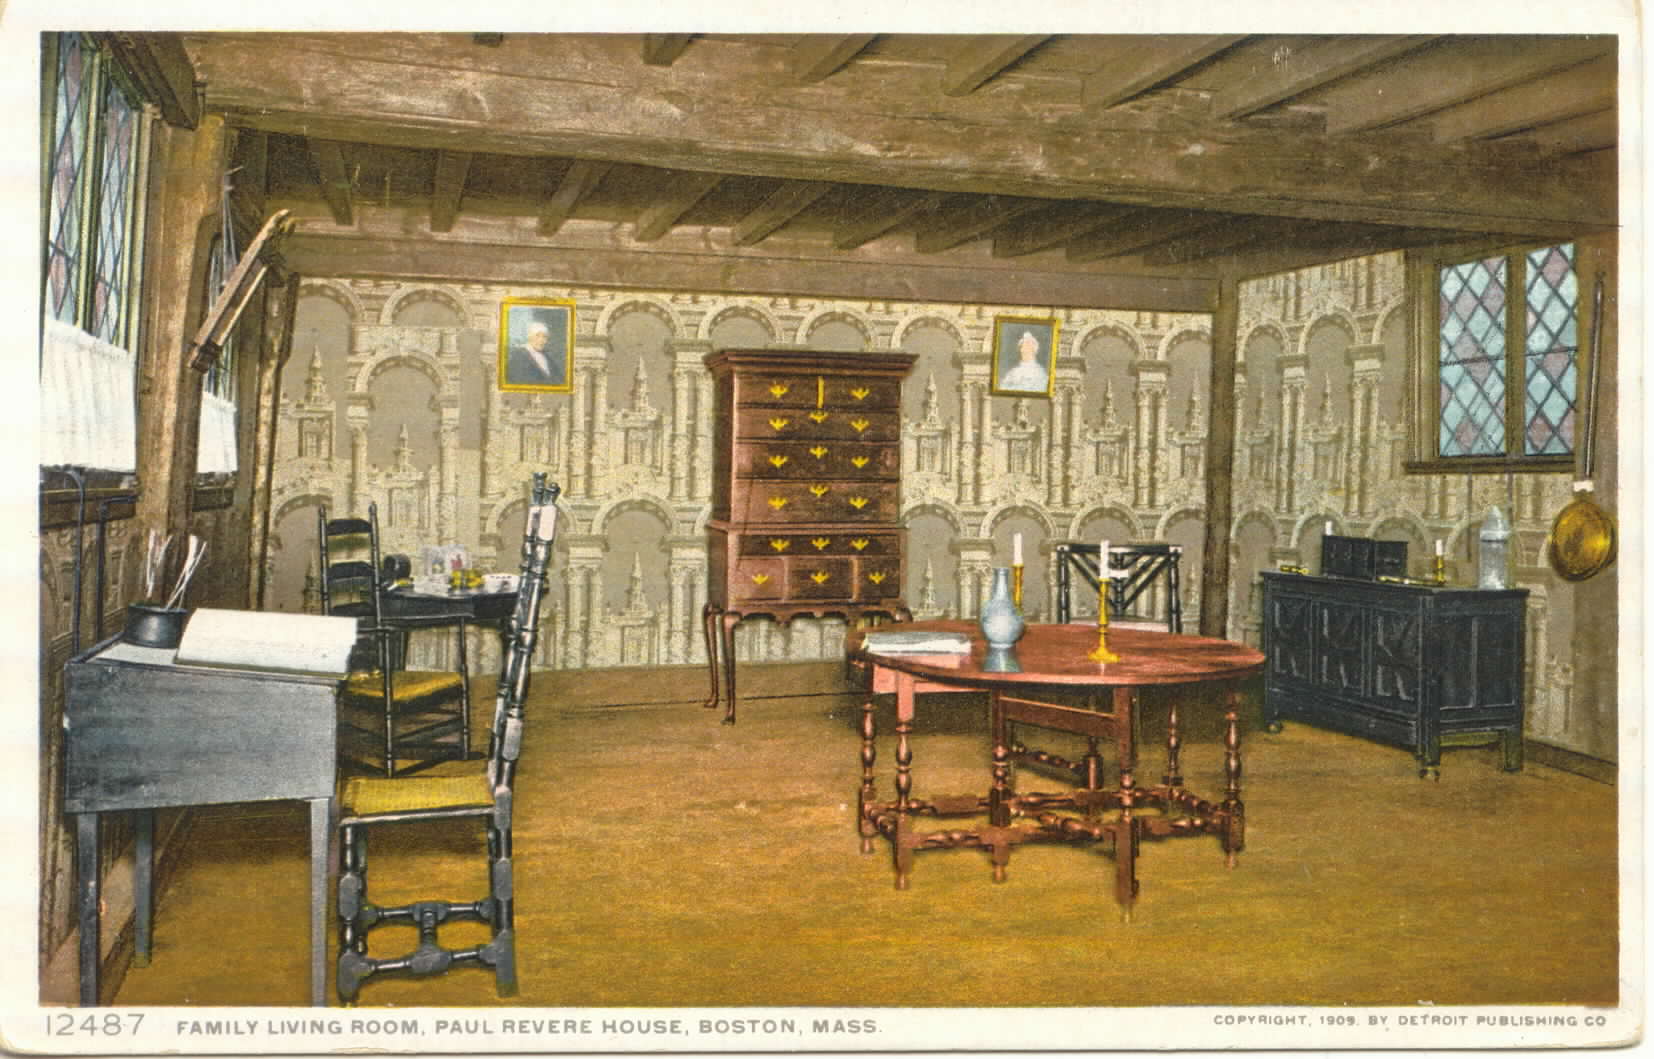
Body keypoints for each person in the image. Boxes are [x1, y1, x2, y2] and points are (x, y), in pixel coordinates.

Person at [505, 319, 565, 386]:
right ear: (529, 337)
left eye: (544, 337)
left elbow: (559, 378)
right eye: (537, 335)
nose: (541, 340)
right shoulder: (519, 355)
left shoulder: (547, 356)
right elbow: (520, 381)